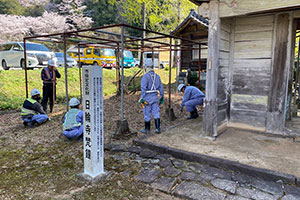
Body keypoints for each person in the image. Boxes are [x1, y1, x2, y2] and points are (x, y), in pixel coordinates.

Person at [139, 60, 164, 134]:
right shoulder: (157, 76)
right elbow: (161, 88)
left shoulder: (145, 77)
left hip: (147, 98)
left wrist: (141, 98)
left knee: (147, 113)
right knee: (156, 113)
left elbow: (143, 89)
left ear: (146, 67)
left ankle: (147, 129)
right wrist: (162, 96)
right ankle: (158, 128)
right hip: (155, 97)